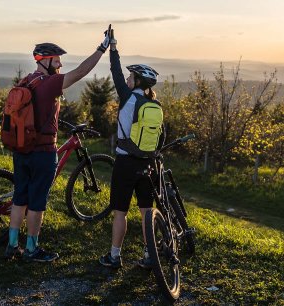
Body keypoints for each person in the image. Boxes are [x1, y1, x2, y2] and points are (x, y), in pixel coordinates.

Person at [5, 29, 113, 262]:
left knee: (19, 199)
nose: (61, 63)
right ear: (45, 61)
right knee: (36, 203)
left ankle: (12, 246)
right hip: (42, 152)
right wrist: (102, 48)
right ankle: (32, 249)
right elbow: (82, 71)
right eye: (57, 59)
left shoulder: (26, 81)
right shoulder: (50, 82)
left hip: (21, 149)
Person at [97, 30, 164, 268]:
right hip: (147, 163)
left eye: (131, 77)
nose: (126, 80)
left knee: (120, 212)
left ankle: (114, 256)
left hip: (125, 162)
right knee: (147, 211)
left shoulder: (128, 97)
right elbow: (160, 136)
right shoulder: (154, 104)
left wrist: (113, 47)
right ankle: (149, 256)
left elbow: (115, 70)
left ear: (136, 82)